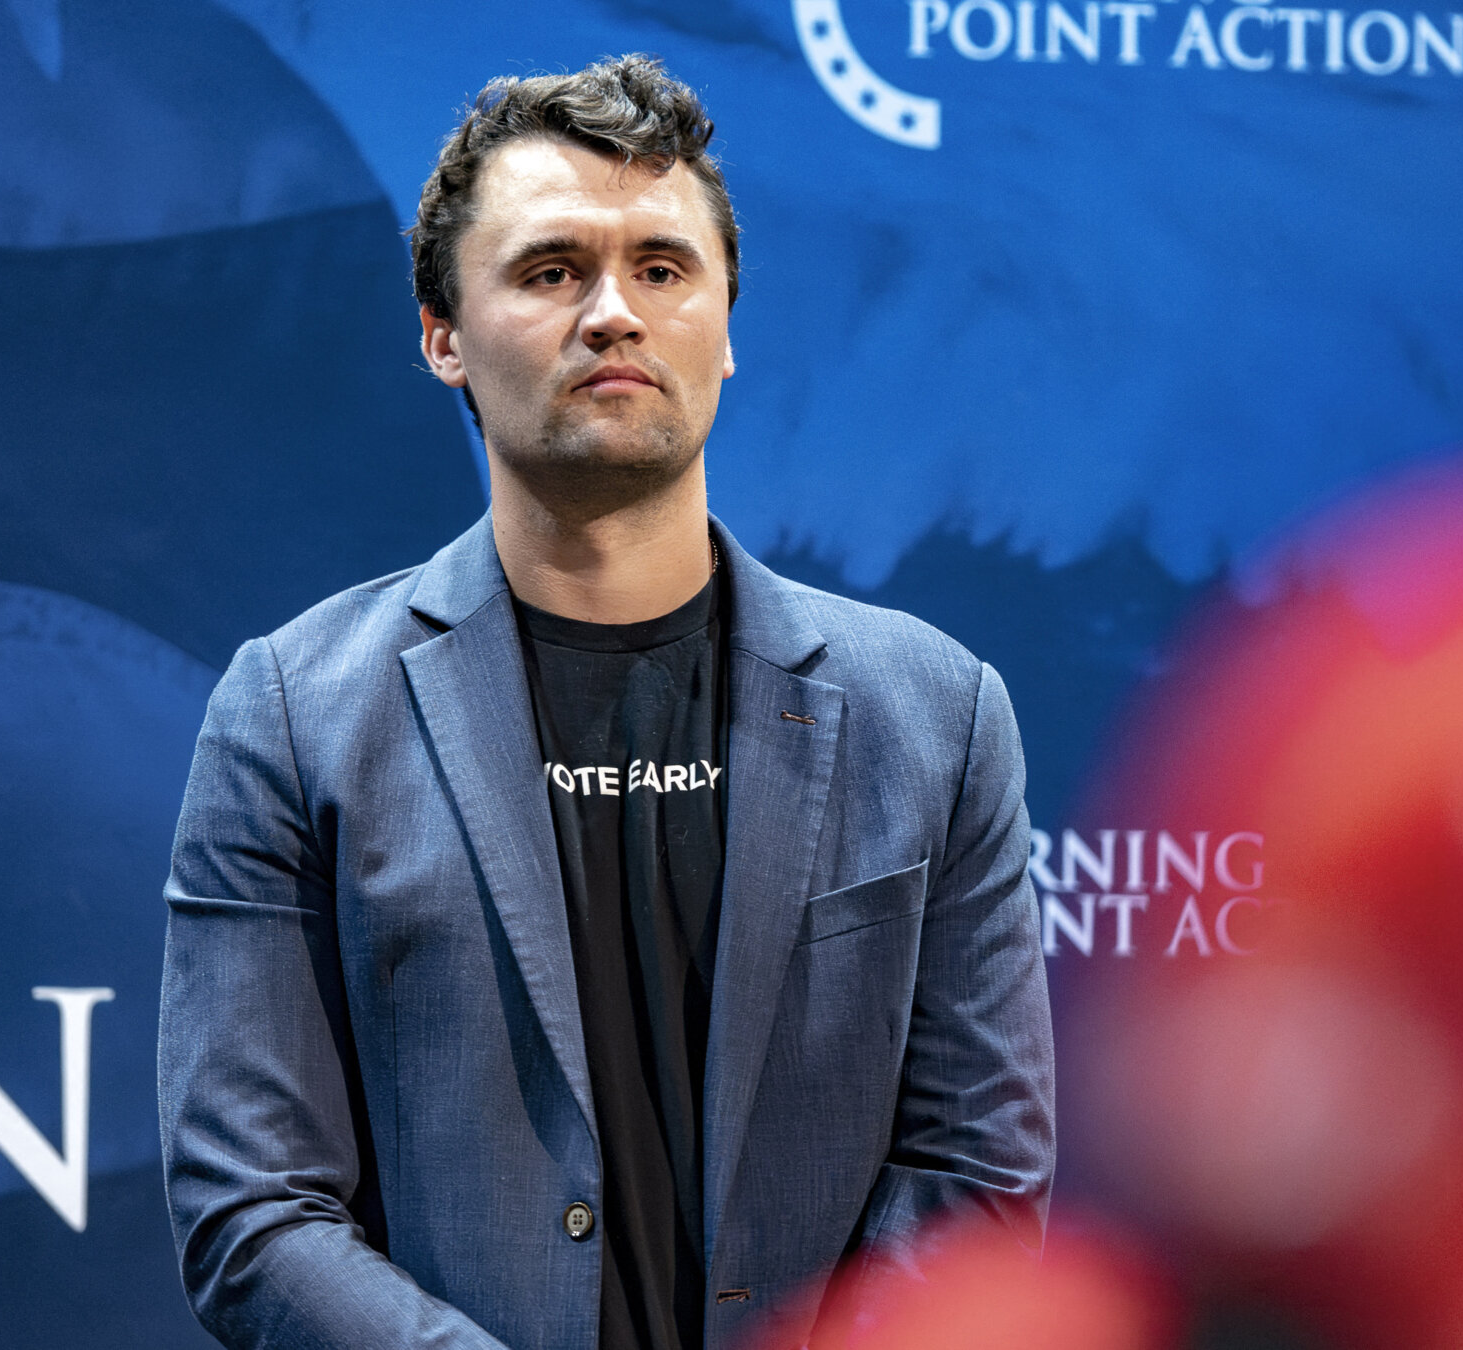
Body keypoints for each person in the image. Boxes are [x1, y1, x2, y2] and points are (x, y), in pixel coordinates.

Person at [157, 53, 1054, 1350]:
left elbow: (979, 1171)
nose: (614, 314)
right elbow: (251, 1207)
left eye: (662, 267)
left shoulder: (940, 713)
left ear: (729, 326)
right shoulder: (293, 712)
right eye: (551, 270)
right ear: (441, 336)